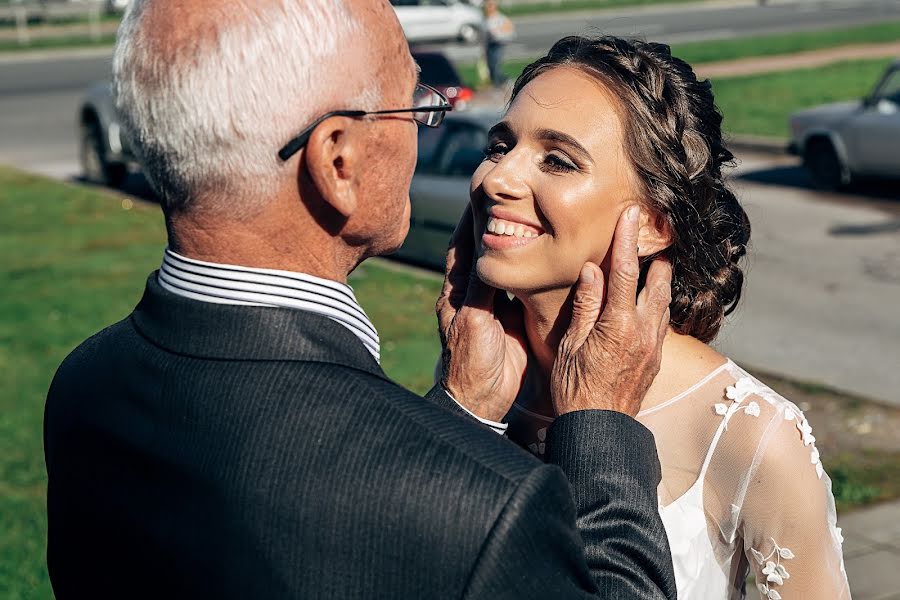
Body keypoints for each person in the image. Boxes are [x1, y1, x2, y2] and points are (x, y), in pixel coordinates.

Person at [43, 3, 677, 599]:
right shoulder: (482, 515)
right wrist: (603, 425)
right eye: (410, 107)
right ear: (338, 163)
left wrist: (456, 421)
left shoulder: (84, 385)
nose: (494, 177)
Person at [466, 35, 851, 599]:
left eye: (557, 160)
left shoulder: (750, 435)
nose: (495, 179)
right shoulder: (475, 379)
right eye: (501, 146)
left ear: (653, 224)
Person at [483, 0, 515, 87]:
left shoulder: (500, 18)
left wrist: (498, 32)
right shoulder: (486, 19)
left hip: (498, 43)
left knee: (495, 65)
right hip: (490, 44)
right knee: (491, 67)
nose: (487, 8)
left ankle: (503, 82)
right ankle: (498, 82)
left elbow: (509, 28)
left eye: (490, 5)